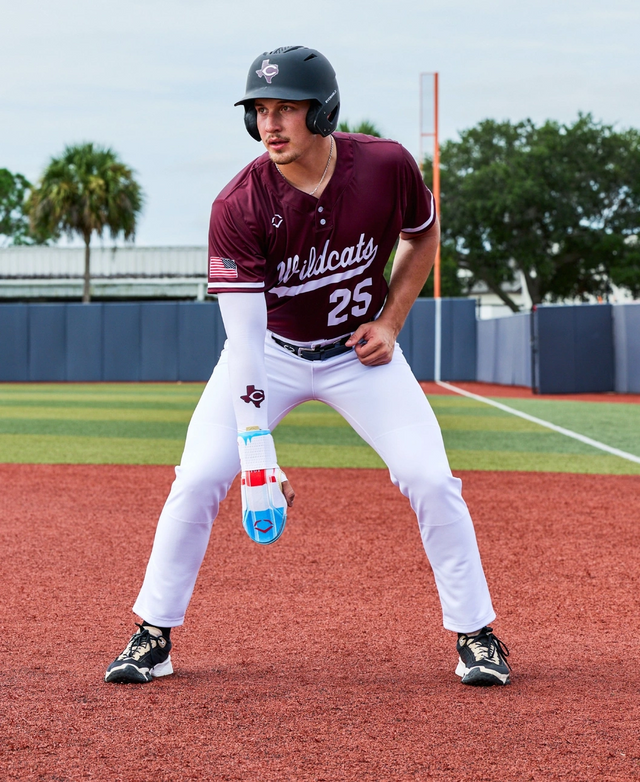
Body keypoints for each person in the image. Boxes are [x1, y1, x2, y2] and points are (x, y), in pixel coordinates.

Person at [105, 46, 511, 687]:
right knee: (200, 476)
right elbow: (243, 345)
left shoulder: (385, 165)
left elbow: (423, 233)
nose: (270, 124)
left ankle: (477, 634)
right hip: (269, 356)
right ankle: (153, 635)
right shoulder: (238, 206)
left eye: (286, 109)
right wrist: (258, 455)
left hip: (360, 356)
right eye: (260, 110)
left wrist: (392, 320)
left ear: (321, 113)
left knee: (430, 478)